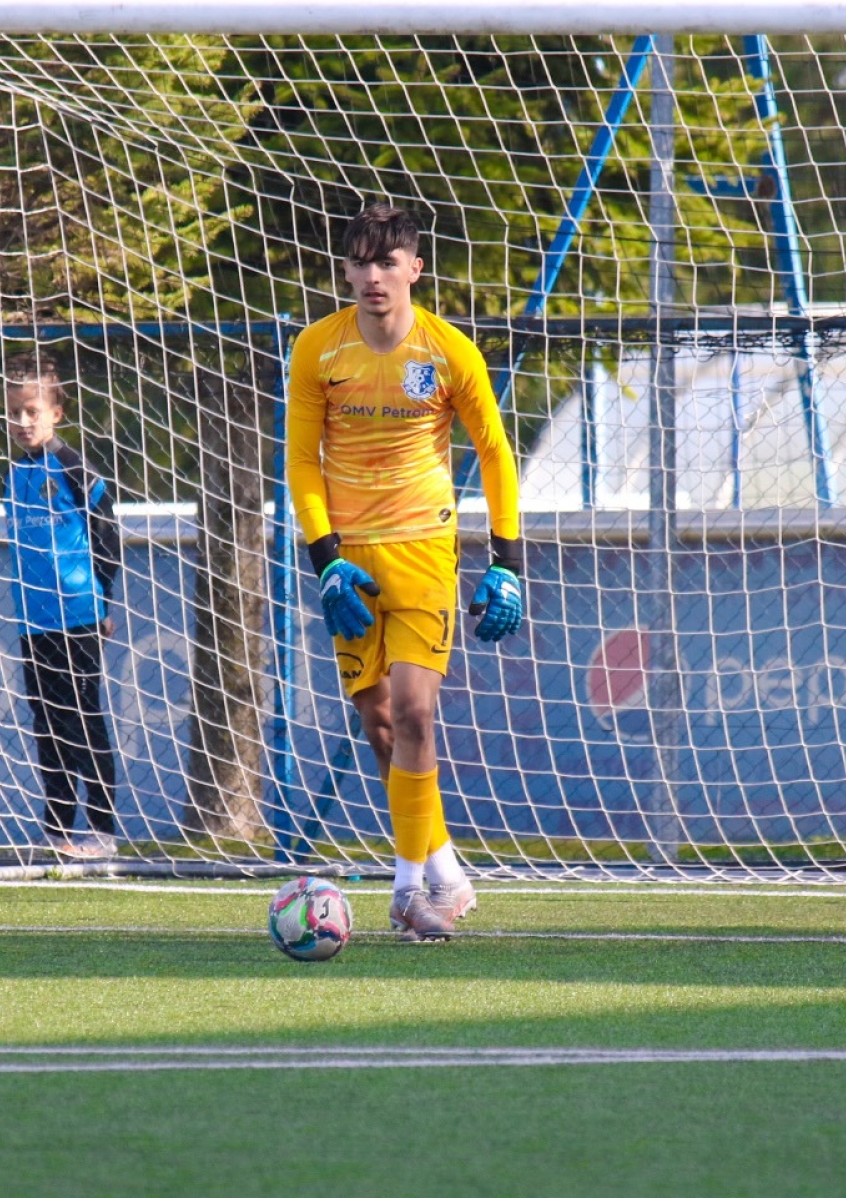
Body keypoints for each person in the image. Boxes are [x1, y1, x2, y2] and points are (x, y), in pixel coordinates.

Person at [285, 204, 524, 942]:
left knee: (416, 711)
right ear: (345, 270)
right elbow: (300, 461)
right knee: (381, 723)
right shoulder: (317, 349)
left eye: (387, 262)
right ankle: (445, 870)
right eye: (360, 261)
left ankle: (406, 890)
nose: (372, 276)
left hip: (424, 550)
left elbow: (494, 452)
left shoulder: (449, 351)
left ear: (415, 269)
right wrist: (325, 558)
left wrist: (507, 562)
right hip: (351, 560)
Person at [2, 353, 124, 858]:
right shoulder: (13, 475)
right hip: (34, 622)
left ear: (56, 413)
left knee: (82, 718)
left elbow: (107, 536)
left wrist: (103, 600)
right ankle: (56, 830)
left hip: (78, 616)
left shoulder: (74, 467)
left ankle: (102, 831)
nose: (22, 421)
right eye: (14, 412)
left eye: (32, 411)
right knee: (46, 724)